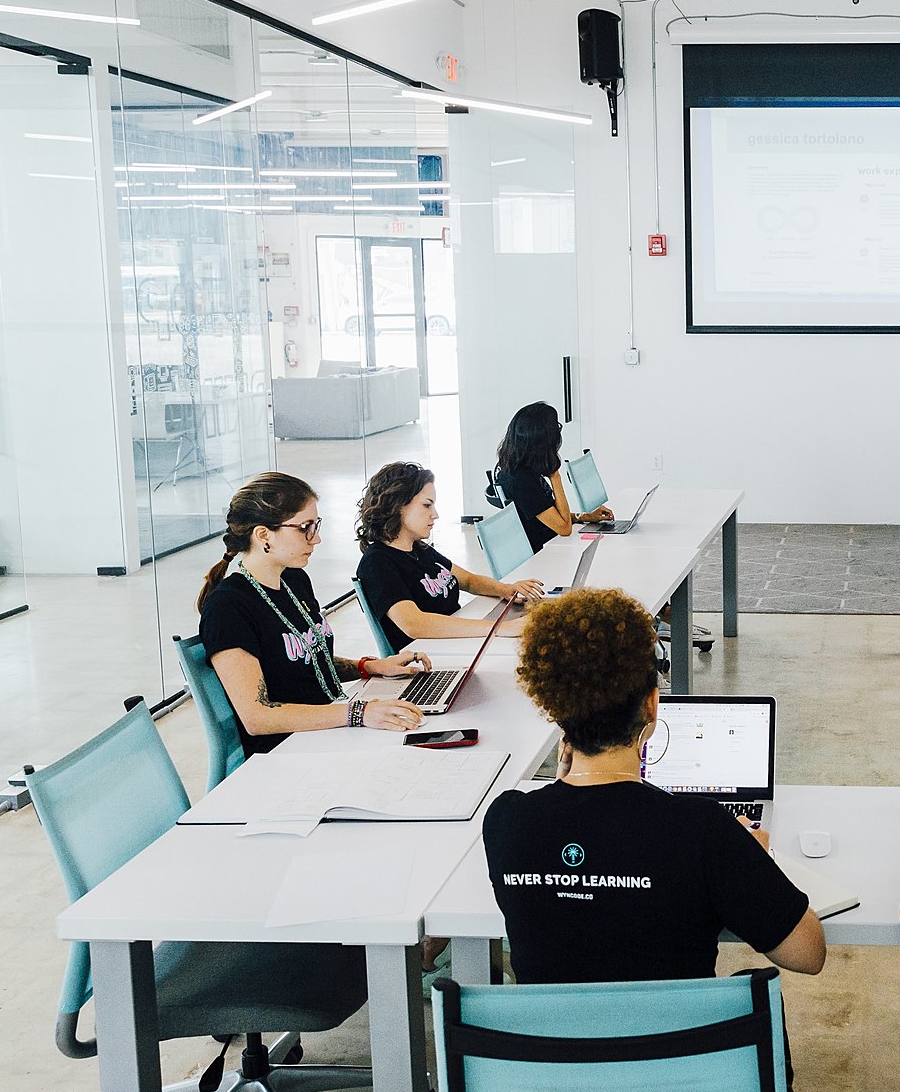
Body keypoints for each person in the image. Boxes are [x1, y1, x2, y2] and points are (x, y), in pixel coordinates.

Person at [482, 587, 827, 985]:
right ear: (651, 704)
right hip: (680, 1029)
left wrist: (564, 782)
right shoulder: (703, 830)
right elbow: (808, 954)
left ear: (550, 704)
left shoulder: (507, 820)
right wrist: (750, 862)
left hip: (550, 1028)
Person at [197, 472, 429, 755]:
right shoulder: (228, 607)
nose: (316, 539)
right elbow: (257, 716)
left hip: (328, 730)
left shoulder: (293, 579)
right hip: (288, 752)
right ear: (263, 535)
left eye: (316, 525)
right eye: (304, 528)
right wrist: (359, 713)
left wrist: (369, 667)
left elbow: (304, 660)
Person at [354, 461, 545, 654]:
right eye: (427, 505)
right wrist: (499, 628)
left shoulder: (419, 549)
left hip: (455, 643)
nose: (435, 514)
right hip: (432, 656)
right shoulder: (377, 562)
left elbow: (468, 581)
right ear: (397, 506)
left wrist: (506, 589)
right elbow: (413, 624)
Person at [488, 401, 612, 555]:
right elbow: (564, 528)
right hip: (545, 552)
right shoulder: (521, 480)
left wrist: (584, 517)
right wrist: (555, 476)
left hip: (551, 543)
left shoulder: (515, 464)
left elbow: (548, 514)